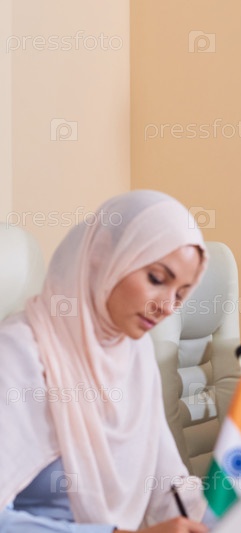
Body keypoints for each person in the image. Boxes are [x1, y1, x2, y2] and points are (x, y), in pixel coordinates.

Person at [0, 191, 213, 532]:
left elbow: (169, 486)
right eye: (157, 279)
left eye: (181, 294)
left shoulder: (134, 352)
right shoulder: (17, 352)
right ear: (102, 255)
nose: (167, 306)